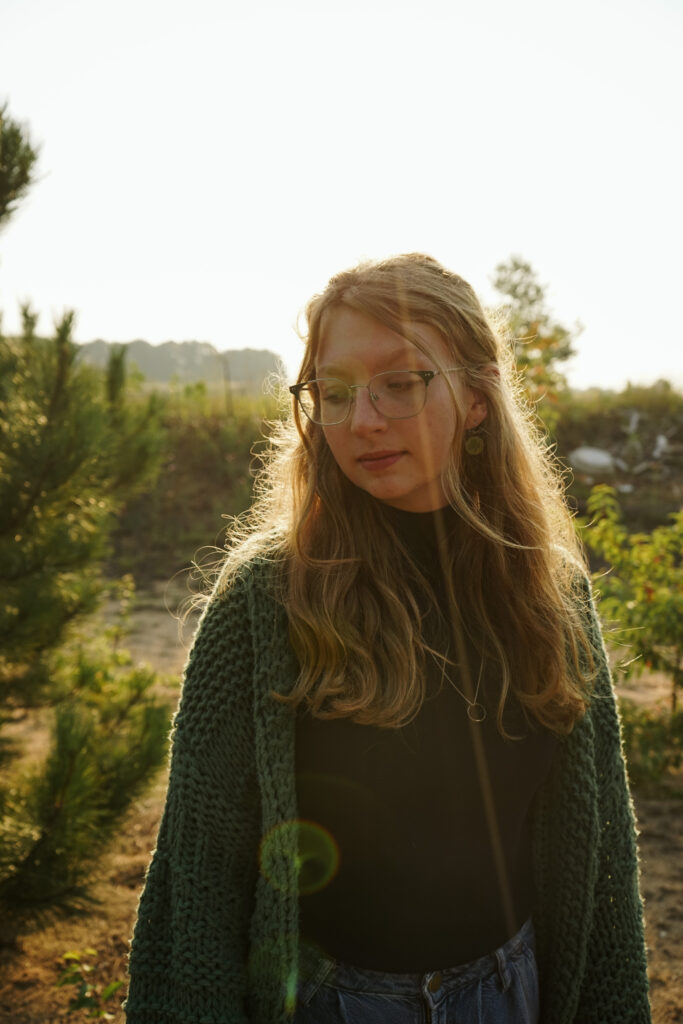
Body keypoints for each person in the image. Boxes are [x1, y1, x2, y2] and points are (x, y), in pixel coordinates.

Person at [125, 254, 651, 1023]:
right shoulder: (265, 599)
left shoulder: (548, 590)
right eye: (334, 393)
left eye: (399, 383)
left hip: (514, 995)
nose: (361, 420)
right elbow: (198, 870)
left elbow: (601, 848)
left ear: (476, 397)